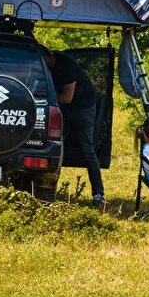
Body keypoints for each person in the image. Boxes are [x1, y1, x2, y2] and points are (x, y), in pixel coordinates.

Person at [41, 45, 105, 207]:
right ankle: (46, 189)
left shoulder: (66, 65)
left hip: (83, 107)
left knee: (87, 149)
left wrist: (46, 97)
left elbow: (67, 98)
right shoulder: (45, 65)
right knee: (55, 147)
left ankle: (98, 194)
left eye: (43, 61)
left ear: (49, 55)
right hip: (63, 107)